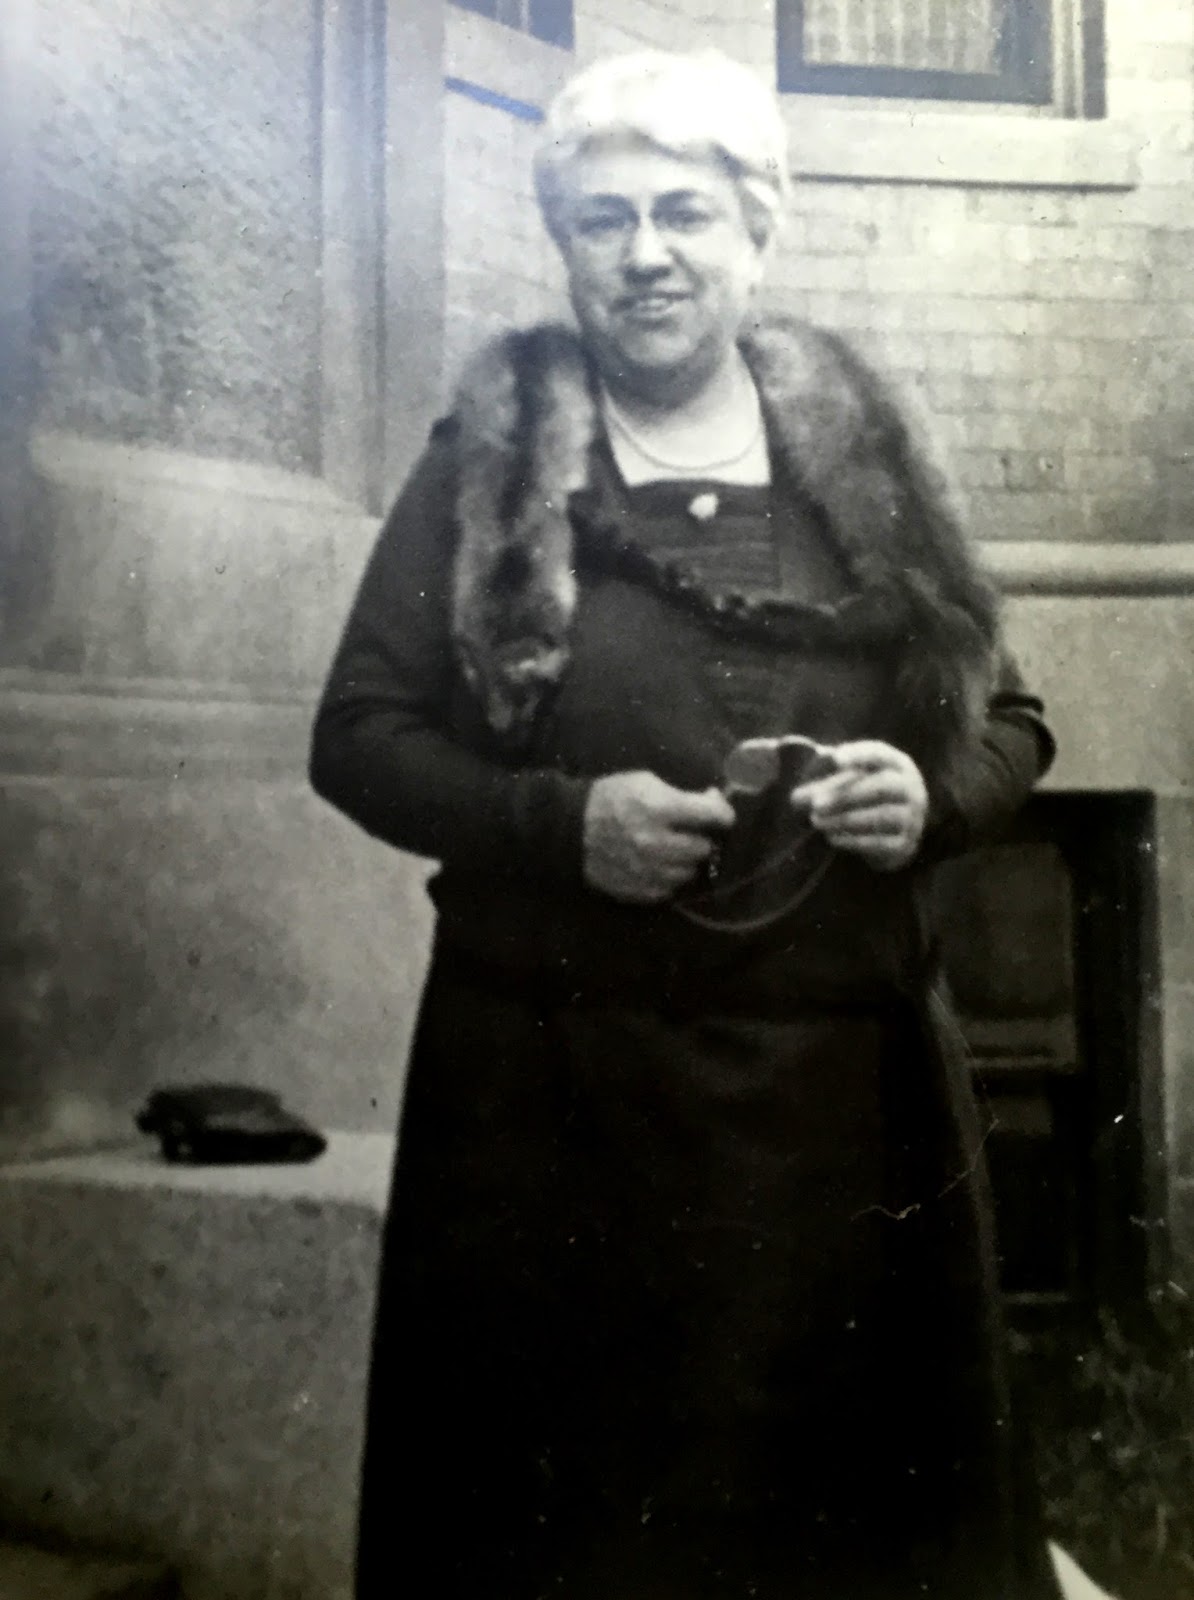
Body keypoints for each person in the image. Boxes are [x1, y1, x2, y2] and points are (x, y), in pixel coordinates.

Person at [311, 47, 1074, 1600]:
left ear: (755, 233)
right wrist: (557, 822)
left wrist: (929, 800)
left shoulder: (861, 463)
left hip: (840, 1116)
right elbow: (358, 738)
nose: (644, 255)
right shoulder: (489, 466)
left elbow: (1012, 720)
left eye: (683, 214)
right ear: (562, 243)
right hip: (554, 1112)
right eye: (604, 220)